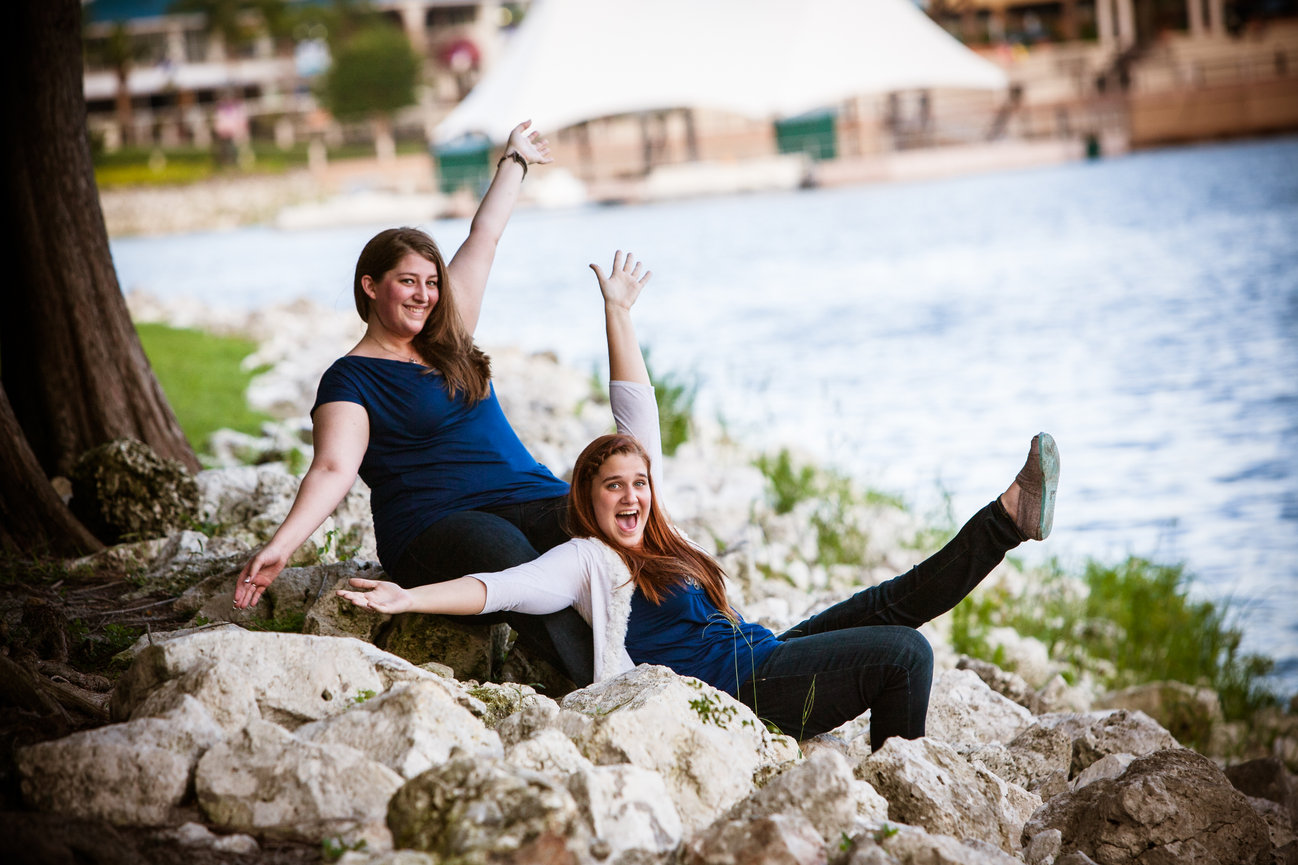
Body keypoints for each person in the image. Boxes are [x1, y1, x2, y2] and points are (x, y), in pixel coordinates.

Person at [338, 252, 1060, 750]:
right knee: (905, 654)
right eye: (612, 486)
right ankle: (900, 781)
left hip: (761, 653)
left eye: (638, 483)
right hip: (739, 688)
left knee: (894, 603)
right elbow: (501, 585)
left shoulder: (654, 534)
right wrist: (405, 599)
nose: (630, 494)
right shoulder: (587, 559)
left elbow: (635, 415)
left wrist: (617, 311)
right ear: (586, 501)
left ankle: (1007, 517)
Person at [234, 121, 596, 685]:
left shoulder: (449, 337)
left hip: (525, 492)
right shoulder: (349, 379)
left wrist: (514, 161)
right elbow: (332, 468)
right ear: (371, 285)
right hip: (435, 527)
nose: (425, 294)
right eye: (409, 281)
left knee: (602, 522)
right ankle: (604, 681)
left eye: (431, 282)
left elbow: (485, 236)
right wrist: (282, 547)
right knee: (508, 552)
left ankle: (718, 645)